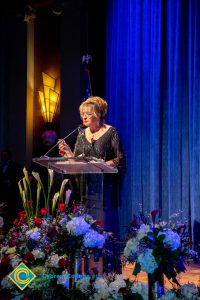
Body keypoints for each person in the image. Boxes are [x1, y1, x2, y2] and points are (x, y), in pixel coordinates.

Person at [58, 96, 126, 273]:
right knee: (86, 231)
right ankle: (86, 271)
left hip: (105, 191)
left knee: (104, 230)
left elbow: (120, 159)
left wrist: (102, 165)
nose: (84, 117)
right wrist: (68, 153)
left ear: (98, 114)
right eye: (83, 114)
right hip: (86, 192)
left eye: (88, 114)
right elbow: (78, 161)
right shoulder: (81, 134)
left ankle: (108, 272)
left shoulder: (111, 132)